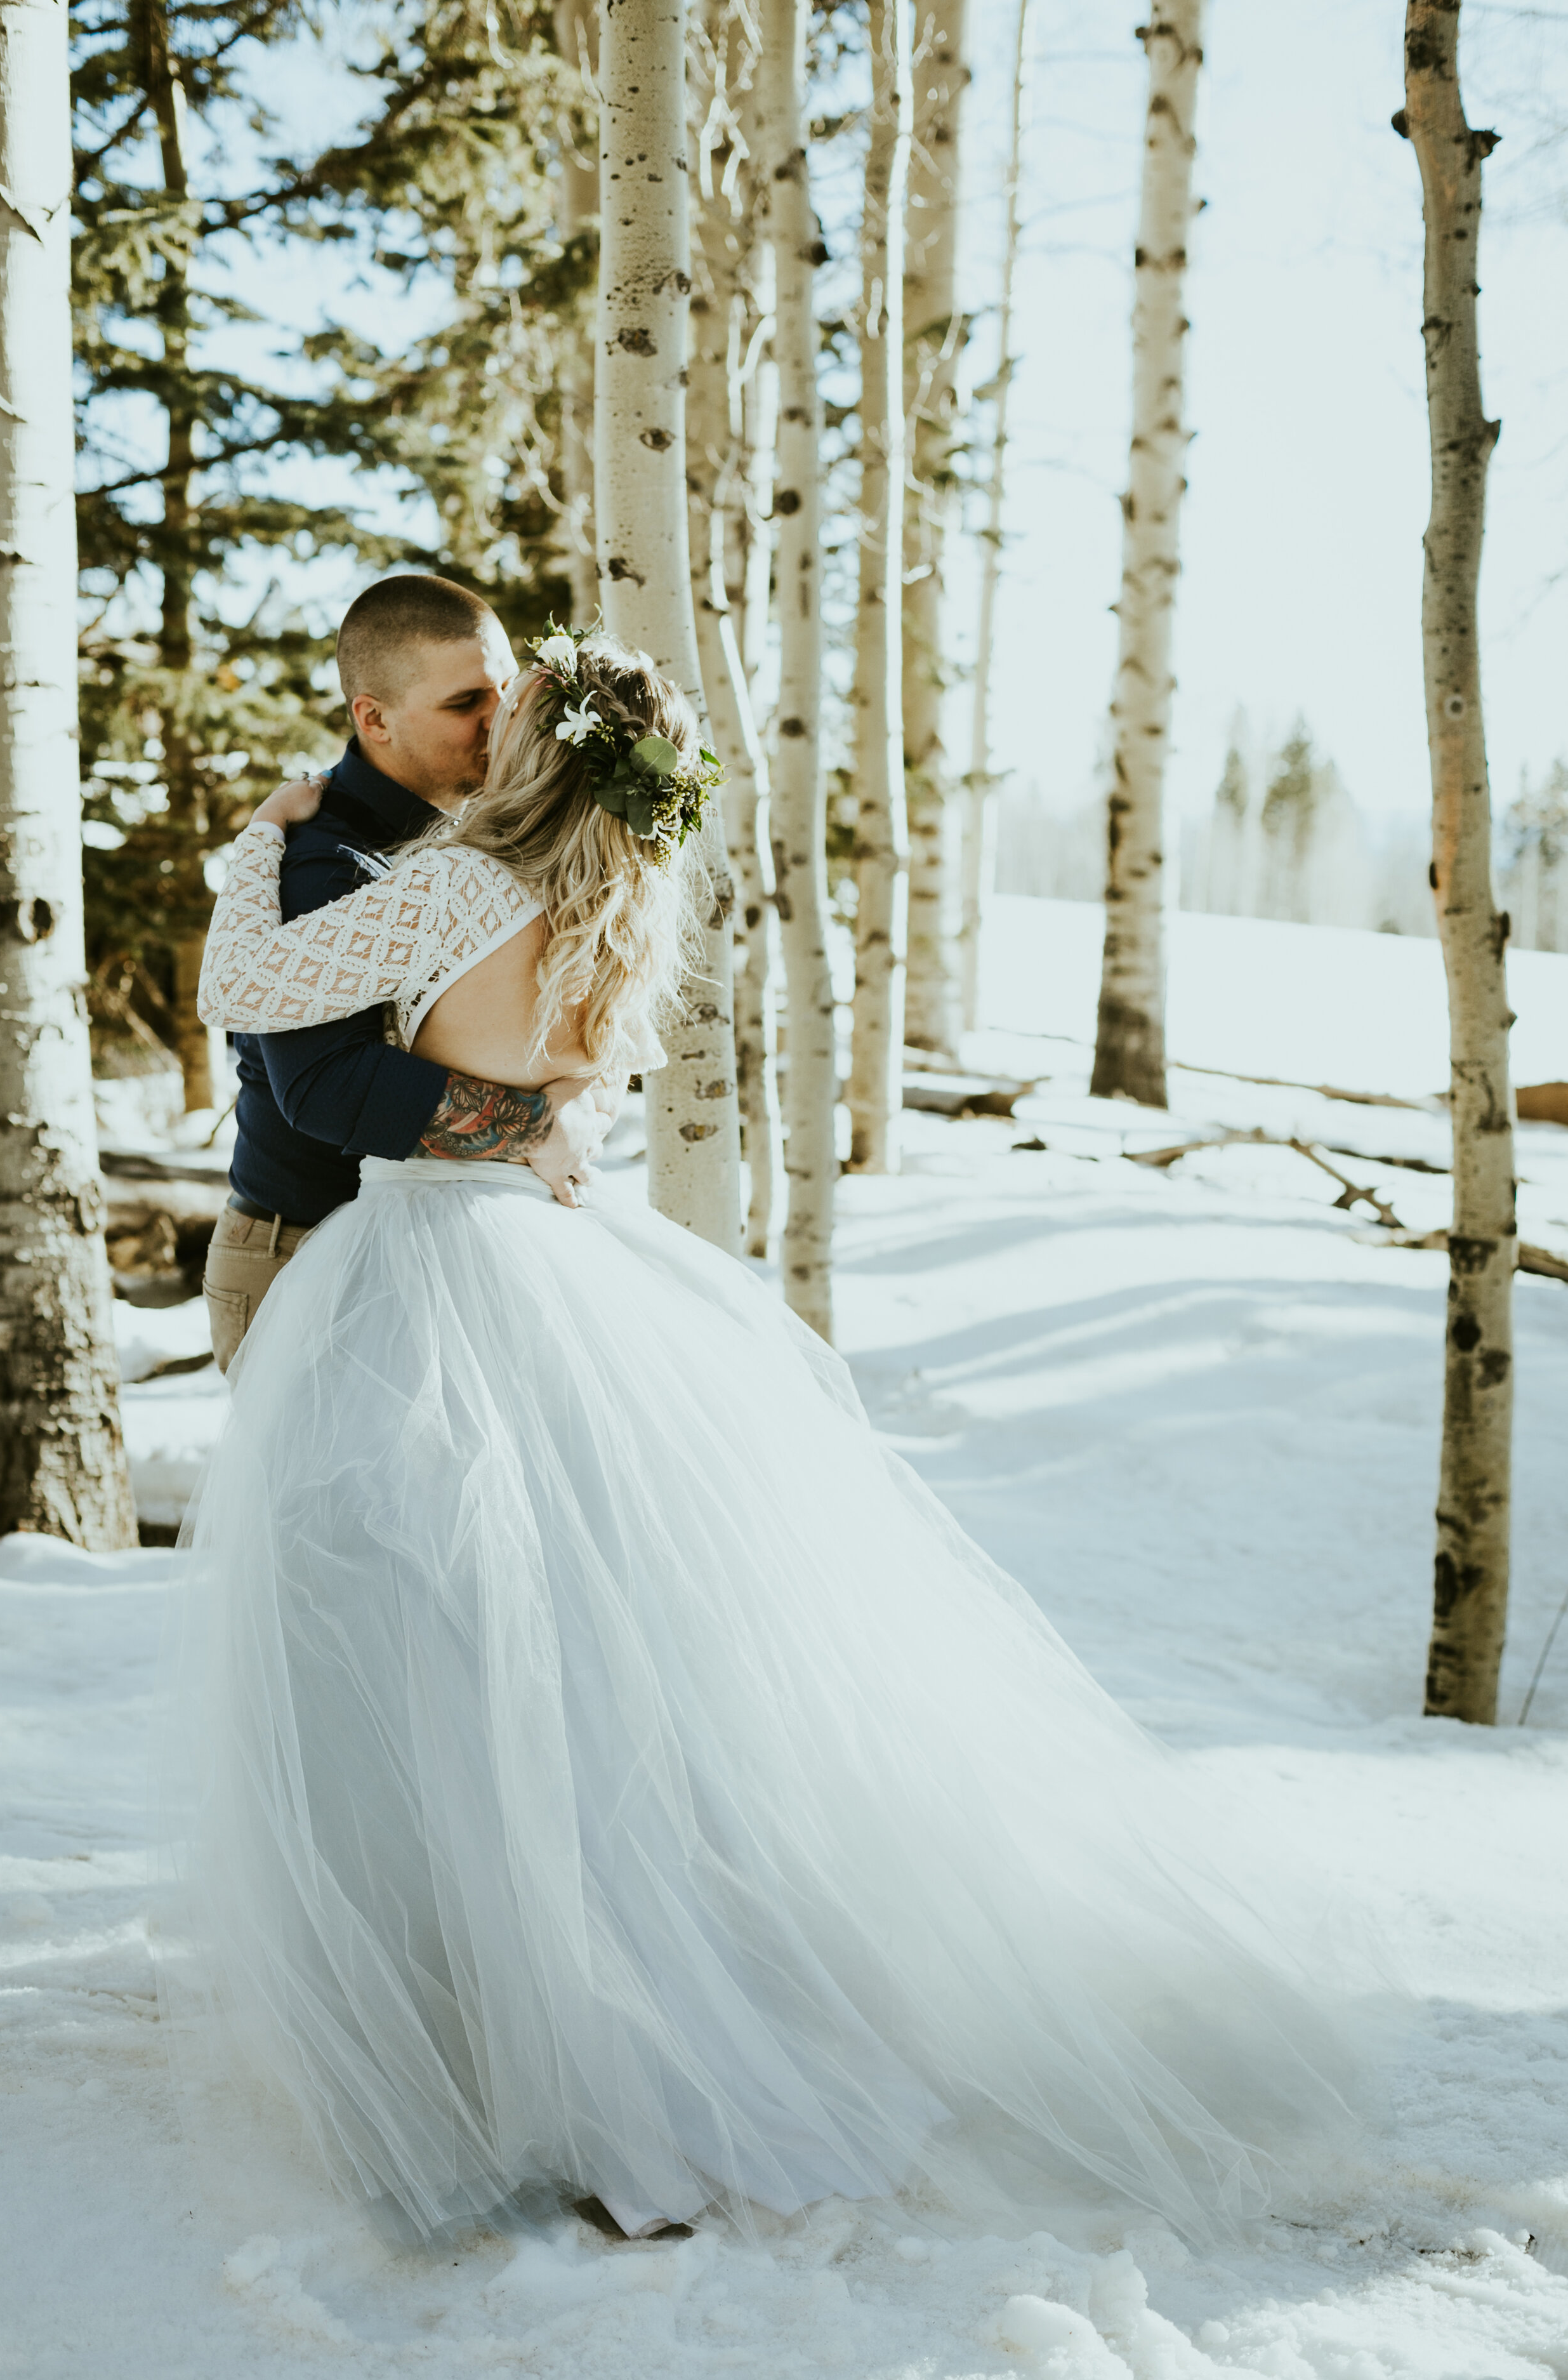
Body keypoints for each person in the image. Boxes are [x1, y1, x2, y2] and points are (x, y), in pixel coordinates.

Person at [176, 626, 1368, 2252]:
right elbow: (568, 1093)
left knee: (435, 1656)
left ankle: (482, 2024)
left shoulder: (462, 886)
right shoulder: (624, 896)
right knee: (587, 1670)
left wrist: (257, 846)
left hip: (429, 1272)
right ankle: (616, 1994)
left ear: (532, 752)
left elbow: (244, 988)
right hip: (565, 1268)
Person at [201, 573, 610, 1372]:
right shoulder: (322, 864)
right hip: (305, 1257)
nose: (499, 722)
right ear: (374, 718)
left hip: (430, 1250)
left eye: (501, 693)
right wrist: (534, 1127)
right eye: (464, 705)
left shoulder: (476, 849)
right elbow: (327, 1084)